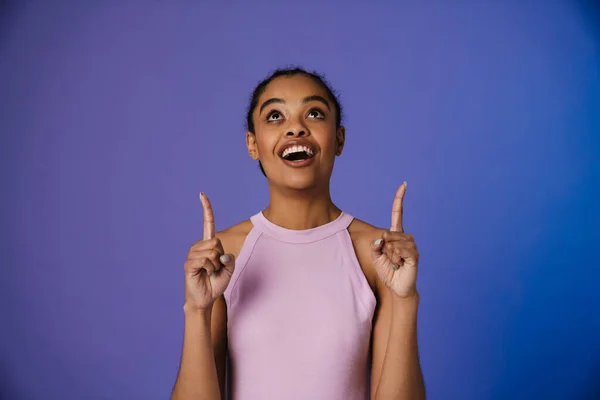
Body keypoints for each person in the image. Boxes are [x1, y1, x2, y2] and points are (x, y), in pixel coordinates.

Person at [171, 68, 425, 400]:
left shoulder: (377, 253)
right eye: (275, 116)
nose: (296, 128)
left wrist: (405, 301)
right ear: (253, 144)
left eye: (315, 113)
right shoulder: (224, 255)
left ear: (339, 139)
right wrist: (198, 310)